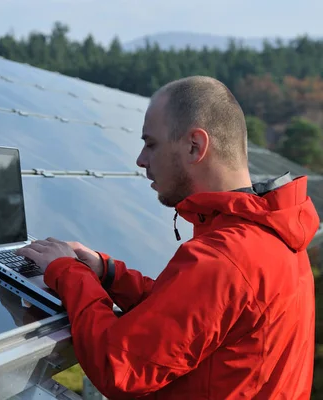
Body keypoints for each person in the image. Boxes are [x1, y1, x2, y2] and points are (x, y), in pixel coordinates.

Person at [16, 76, 318, 399]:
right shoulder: (271, 236)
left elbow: (117, 366)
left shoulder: (224, 258)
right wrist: (109, 273)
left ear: (194, 146)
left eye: (151, 143)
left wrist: (66, 270)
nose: (141, 160)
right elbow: (185, 320)